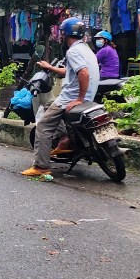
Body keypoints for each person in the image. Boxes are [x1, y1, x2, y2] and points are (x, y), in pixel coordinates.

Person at [22, 17, 99, 179]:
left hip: (69, 99)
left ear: (66, 34)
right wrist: (50, 67)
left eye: (62, 33)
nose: (61, 36)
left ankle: (41, 166)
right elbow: (73, 71)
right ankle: (67, 141)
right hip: (89, 98)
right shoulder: (86, 49)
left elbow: (83, 73)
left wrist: (78, 98)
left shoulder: (73, 51)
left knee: (43, 125)